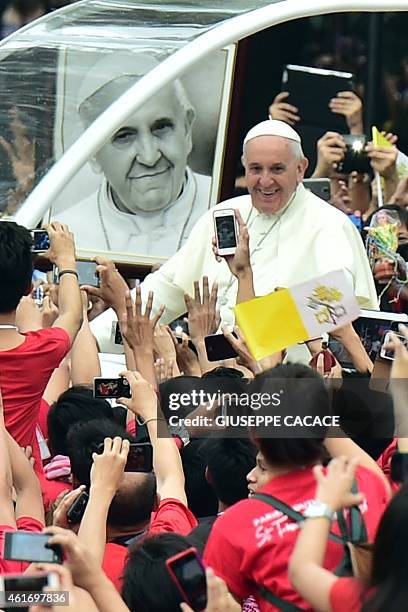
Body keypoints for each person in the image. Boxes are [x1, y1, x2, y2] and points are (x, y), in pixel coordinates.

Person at [90, 119, 378, 352]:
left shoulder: (329, 224)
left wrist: (238, 339)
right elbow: (164, 290)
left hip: (292, 386)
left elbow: (337, 303)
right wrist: (92, 338)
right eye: (255, 169)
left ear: (301, 168)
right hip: (215, 376)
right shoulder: (224, 215)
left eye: (277, 169)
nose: (265, 181)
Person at [57, 53, 211, 257]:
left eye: (161, 128)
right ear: (92, 153)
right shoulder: (67, 234)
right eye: (124, 136)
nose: (149, 157)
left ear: (187, 129)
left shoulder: (226, 208)